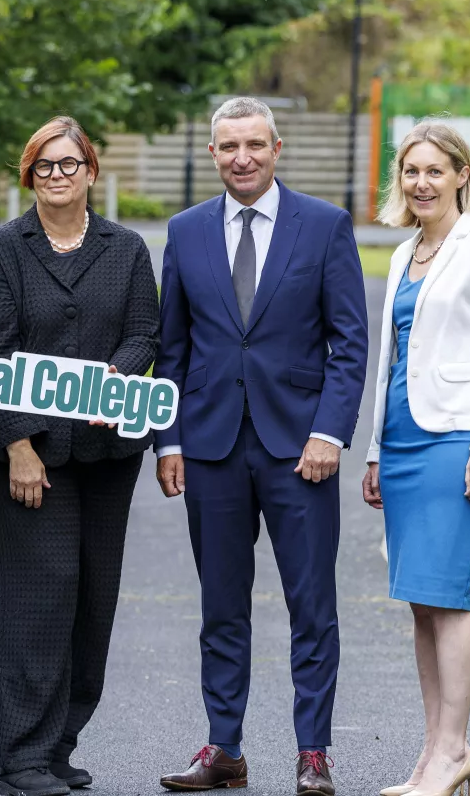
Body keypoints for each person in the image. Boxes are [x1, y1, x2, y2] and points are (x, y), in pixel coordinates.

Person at [154, 97, 369, 796]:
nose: (241, 157)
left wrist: (329, 431)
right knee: (222, 606)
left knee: (312, 605)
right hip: (211, 446)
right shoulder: (184, 233)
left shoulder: (326, 226)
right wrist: (170, 440)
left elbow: (349, 344)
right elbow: (173, 349)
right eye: (227, 146)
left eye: (253, 144)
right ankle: (224, 747)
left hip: (299, 448)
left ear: (277, 148)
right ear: (213, 154)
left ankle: (313, 753)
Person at [0, 116, 159, 796]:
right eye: (44, 166)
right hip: (28, 457)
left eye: (68, 164)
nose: (56, 175)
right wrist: (18, 442)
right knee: (36, 600)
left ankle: (58, 745)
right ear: (30, 176)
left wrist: (119, 373)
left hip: (108, 453)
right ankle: (21, 759)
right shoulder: (3, 250)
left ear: (91, 171)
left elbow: (145, 331)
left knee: (91, 601)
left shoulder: (127, 248)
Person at [362, 121, 470, 796]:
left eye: (435, 170)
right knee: (421, 602)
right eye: (410, 171)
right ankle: (434, 755)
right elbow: (389, 361)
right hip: (401, 443)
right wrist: (374, 449)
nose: (421, 182)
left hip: (458, 441)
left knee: (449, 596)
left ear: (462, 174)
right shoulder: (405, 254)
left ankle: (455, 747)